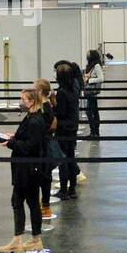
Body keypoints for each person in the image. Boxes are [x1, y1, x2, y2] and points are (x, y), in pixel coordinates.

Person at [0, 88, 48, 253]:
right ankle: (31, 239)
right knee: (27, 202)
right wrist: (15, 137)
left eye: (23, 99)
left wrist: (11, 143)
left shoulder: (34, 121)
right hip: (28, 168)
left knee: (21, 202)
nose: (21, 102)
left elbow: (30, 147)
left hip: (27, 169)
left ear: (31, 101)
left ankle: (22, 240)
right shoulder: (33, 117)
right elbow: (28, 140)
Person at [53, 62, 81, 200]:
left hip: (63, 129)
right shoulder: (74, 88)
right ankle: (72, 189)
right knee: (71, 157)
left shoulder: (62, 92)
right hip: (73, 127)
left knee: (63, 160)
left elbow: (60, 112)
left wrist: (52, 104)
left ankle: (64, 190)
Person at [35, 78, 59, 218]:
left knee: (44, 177)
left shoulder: (45, 107)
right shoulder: (45, 105)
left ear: (39, 91)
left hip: (44, 147)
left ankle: (45, 206)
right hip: (43, 145)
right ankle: (43, 204)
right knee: (43, 177)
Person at [83, 50, 105, 137]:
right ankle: (94, 132)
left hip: (92, 91)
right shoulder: (91, 66)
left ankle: (94, 131)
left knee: (90, 111)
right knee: (93, 110)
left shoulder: (96, 66)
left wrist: (90, 80)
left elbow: (101, 78)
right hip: (90, 92)